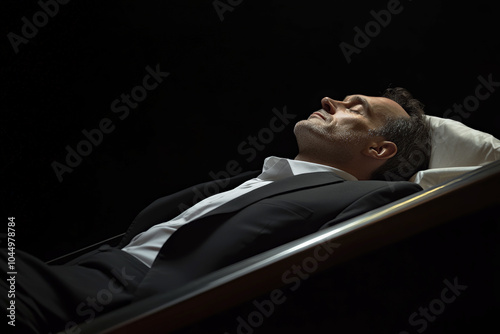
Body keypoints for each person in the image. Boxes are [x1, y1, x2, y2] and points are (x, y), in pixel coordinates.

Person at [1, 87, 431, 333]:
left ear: (379, 149)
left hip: (134, 296)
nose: (332, 101)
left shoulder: (369, 198)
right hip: (80, 273)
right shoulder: (253, 179)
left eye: (357, 108)